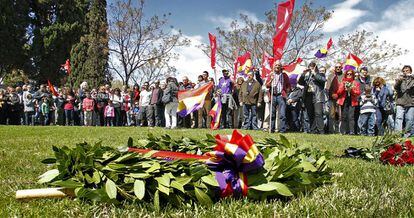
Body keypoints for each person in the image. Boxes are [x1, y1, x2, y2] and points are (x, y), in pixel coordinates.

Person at [298, 62, 326, 134]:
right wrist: (303, 74)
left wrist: (315, 73)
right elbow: (300, 82)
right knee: (311, 114)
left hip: (317, 96)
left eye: (313, 66)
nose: (311, 68)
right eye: (310, 67)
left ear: (315, 68)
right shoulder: (307, 76)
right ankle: (313, 130)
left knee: (318, 113)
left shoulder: (320, 74)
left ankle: (321, 130)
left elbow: (323, 80)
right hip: (308, 97)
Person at [265, 60, 291, 133]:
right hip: (273, 96)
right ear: (274, 66)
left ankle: (282, 129)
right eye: (276, 65)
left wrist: (287, 92)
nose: (277, 66)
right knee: (272, 114)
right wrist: (271, 80)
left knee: (282, 114)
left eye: (278, 65)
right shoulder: (271, 75)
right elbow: (267, 86)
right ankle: (271, 129)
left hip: (281, 96)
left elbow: (288, 85)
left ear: (280, 67)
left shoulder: (284, 75)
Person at [336, 69, 361, 135]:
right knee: (344, 116)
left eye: (351, 74)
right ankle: (343, 131)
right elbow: (338, 92)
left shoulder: (355, 83)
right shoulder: (343, 82)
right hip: (344, 101)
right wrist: (344, 88)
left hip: (352, 101)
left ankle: (351, 131)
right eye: (348, 74)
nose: (349, 75)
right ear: (345, 75)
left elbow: (358, 92)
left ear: (353, 75)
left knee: (351, 116)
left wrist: (351, 90)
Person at [394, 65, 414, 137]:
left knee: (409, 119)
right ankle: (397, 134)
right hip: (400, 101)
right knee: (398, 118)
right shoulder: (400, 79)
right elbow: (395, 87)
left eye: (407, 71)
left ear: (410, 71)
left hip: (411, 102)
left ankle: (407, 135)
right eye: (404, 71)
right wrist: (399, 81)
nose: (405, 72)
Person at [326, 63, 344, 133]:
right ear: (335, 68)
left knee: (338, 114)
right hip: (332, 97)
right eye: (337, 67)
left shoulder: (343, 76)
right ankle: (331, 130)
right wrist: (331, 94)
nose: (338, 68)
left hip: (341, 98)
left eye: (339, 67)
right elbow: (328, 87)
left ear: (341, 68)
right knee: (331, 114)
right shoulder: (331, 76)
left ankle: (337, 129)